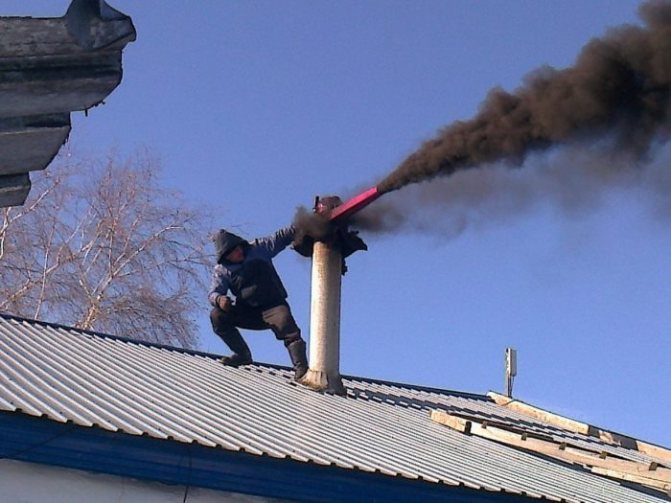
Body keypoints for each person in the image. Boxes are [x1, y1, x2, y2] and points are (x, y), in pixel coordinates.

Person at [208, 226, 308, 381]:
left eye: (239, 248)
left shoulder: (258, 248)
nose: (239, 252)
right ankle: (242, 355)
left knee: (286, 324)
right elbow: (213, 293)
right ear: (226, 256)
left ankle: (301, 369)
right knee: (217, 316)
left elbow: (280, 237)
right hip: (248, 312)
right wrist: (220, 300)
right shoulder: (221, 270)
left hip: (273, 307)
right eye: (234, 252)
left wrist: (304, 224)